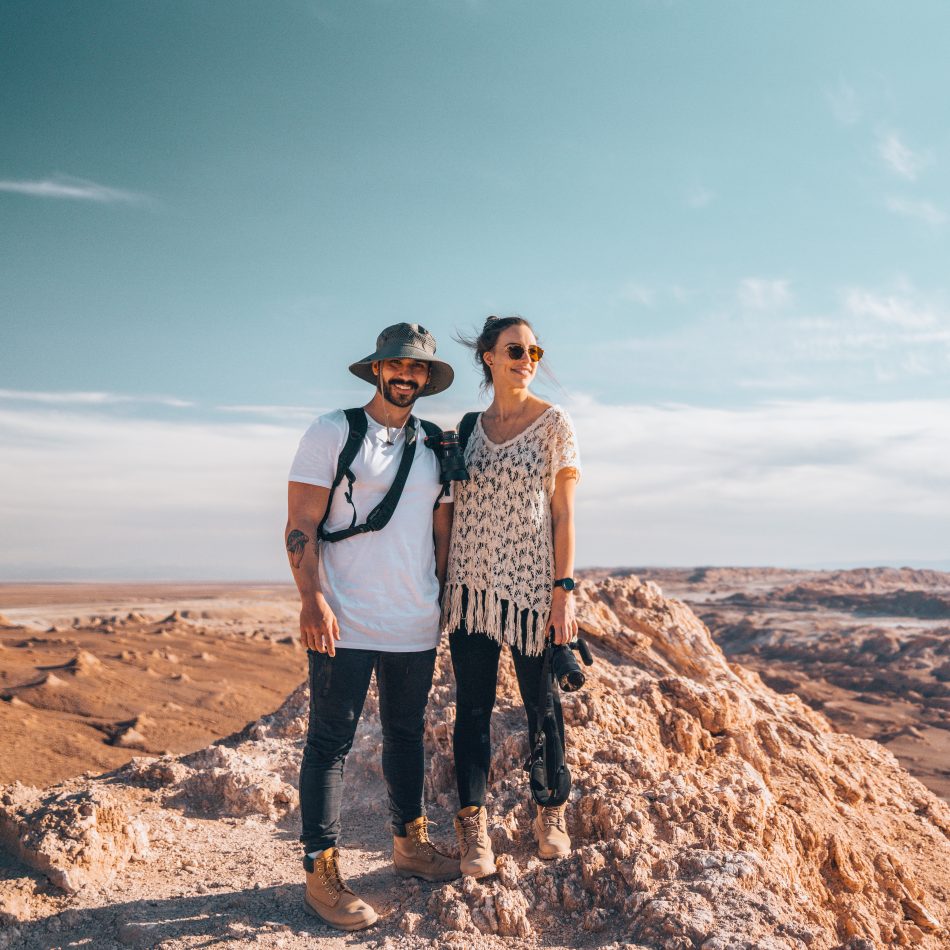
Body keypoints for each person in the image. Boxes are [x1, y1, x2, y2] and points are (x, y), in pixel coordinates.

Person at [286, 323, 461, 931]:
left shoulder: (434, 445)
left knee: (407, 735)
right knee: (330, 743)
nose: (407, 376)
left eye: (418, 370)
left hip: (413, 617)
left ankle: (410, 846)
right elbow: (301, 522)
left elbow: (441, 532)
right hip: (346, 616)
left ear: (427, 380)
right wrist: (312, 598)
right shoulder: (333, 431)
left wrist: (441, 598)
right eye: (398, 367)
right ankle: (321, 871)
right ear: (377, 369)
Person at [442, 315, 581, 877]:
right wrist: (439, 578)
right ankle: (473, 826)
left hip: (530, 590)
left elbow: (564, 512)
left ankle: (550, 812)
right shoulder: (469, 427)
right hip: (471, 588)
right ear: (489, 358)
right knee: (471, 708)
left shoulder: (554, 424)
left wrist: (563, 591)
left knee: (540, 705)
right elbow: (450, 508)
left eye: (535, 350)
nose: (528, 358)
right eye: (516, 349)